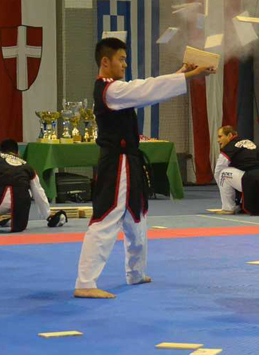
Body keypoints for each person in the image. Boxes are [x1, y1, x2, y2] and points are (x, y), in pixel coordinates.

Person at [74, 37, 215, 299]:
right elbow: (145, 90)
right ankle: (85, 282)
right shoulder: (109, 89)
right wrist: (187, 77)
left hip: (130, 160)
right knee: (107, 219)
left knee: (136, 217)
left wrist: (182, 74)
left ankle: (135, 272)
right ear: (105, 62)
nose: (125, 64)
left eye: (125, 59)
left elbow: (145, 91)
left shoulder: (117, 89)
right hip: (117, 163)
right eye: (121, 59)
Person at [213, 126, 259, 216]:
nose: (218, 140)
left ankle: (228, 208)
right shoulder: (251, 144)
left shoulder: (229, 147)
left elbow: (218, 171)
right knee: (245, 173)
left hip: (253, 181)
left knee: (223, 174)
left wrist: (222, 186)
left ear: (229, 135)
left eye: (220, 136)